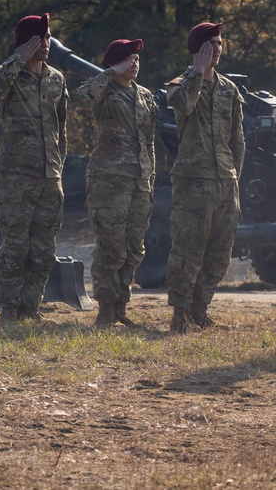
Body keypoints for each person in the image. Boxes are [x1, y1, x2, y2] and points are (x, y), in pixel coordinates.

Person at [0, 13, 68, 323]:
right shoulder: (9, 73)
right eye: (39, 38)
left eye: (47, 38)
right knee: (15, 246)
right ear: (25, 41)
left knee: (44, 249)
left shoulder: (57, 79)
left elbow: (62, 128)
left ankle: (30, 307)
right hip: (16, 175)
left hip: (49, 175)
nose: (45, 43)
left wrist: (58, 167)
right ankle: (9, 309)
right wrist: (19, 56)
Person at [164, 22, 244, 333]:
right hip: (192, 182)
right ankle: (179, 313)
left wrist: (234, 173)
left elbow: (236, 140)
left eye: (220, 43)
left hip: (225, 180)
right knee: (188, 249)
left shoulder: (229, 89)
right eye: (211, 43)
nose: (218, 49)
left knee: (219, 251)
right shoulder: (181, 83)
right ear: (199, 48)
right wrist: (197, 71)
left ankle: (200, 309)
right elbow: (183, 105)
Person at [75, 39, 156, 327]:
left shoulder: (145, 96)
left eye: (136, 59)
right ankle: (105, 310)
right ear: (113, 63)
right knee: (111, 246)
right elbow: (81, 96)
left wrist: (150, 178)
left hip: (139, 182)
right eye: (128, 60)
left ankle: (121, 306)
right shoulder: (103, 89)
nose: (134, 64)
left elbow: (149, 141)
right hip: (108, 180)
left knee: (134, 248)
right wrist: (110, 72)